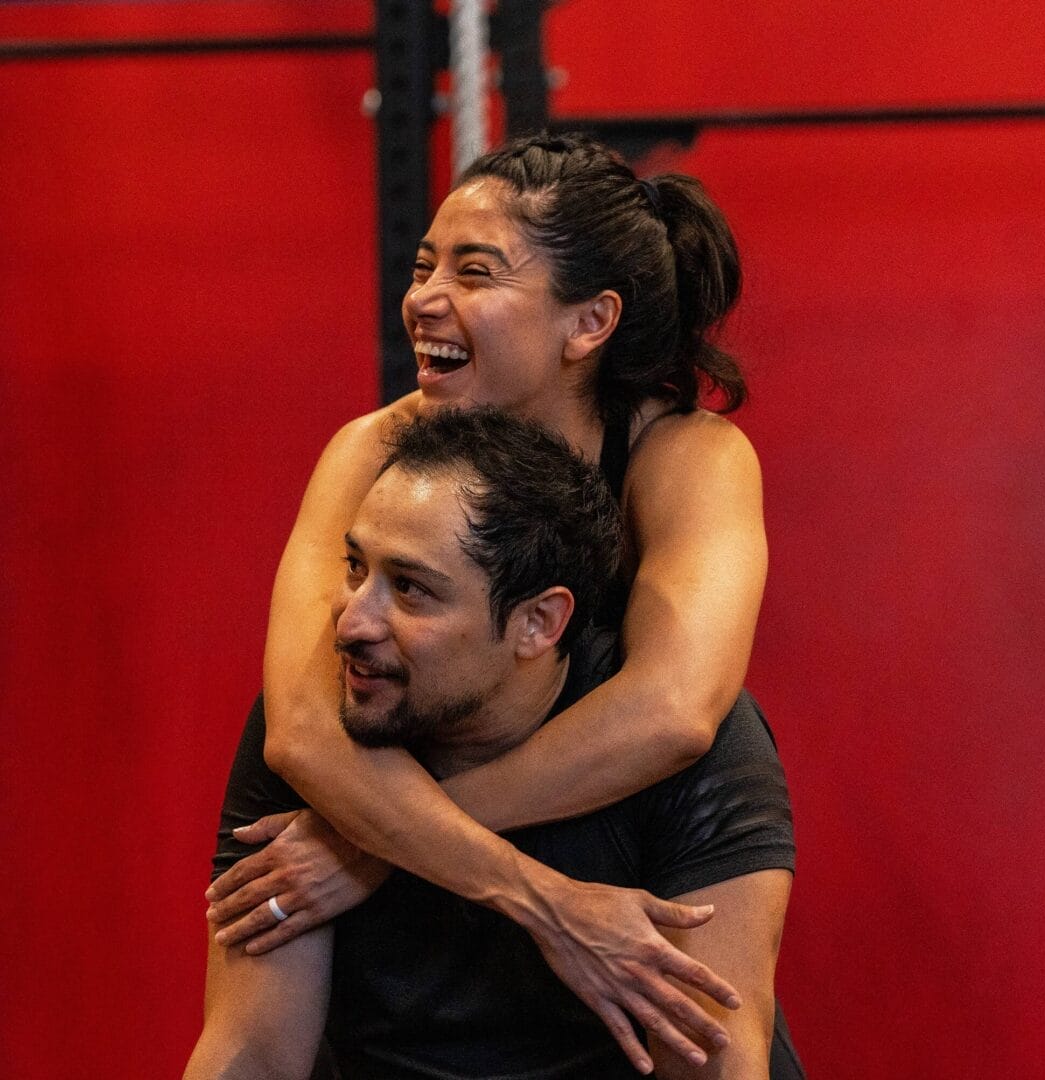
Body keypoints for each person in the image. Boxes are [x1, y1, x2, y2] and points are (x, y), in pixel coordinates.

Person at [204, 133, 773, 1071]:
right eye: (425, 264)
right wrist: (522, 887)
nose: (424, 296)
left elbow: (672, 711)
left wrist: (376, 844)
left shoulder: (687, 457)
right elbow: (303, 733)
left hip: (624, 828)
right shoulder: (368, 451)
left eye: (474, 272)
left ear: (588, 323)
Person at [185, 407, 799, 1079]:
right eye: (355, 568)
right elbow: (254, 1055)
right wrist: (548, 904)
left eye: (412, 590)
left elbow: (712, 1066)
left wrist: (381, 839)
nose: (351, 621)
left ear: (539, 623)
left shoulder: (702, 750)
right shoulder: (328, 732)